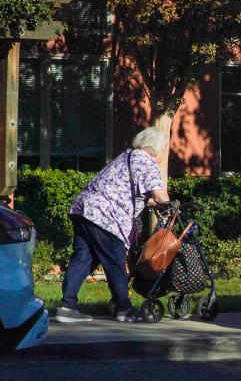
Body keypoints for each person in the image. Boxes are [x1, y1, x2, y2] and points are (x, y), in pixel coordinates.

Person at [55, 127, 170, 323]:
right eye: (165, 148)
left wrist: (151, 203)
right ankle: (124, 309)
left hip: (85, 209)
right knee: (115, 260)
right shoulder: (146, 161)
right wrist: (169, 203)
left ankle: (67, 306)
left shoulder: (127, 156)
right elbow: (160, 195)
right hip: (106, 216)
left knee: (83, 258)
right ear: (157, 148)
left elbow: (128, 192)